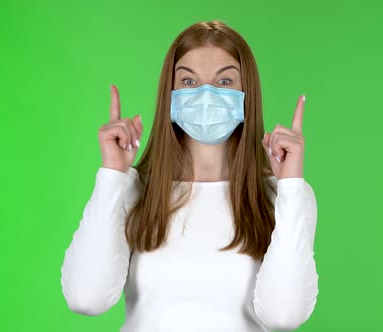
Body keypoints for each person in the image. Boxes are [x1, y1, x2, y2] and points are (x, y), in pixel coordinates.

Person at [60, 20, 319, 332]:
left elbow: (284, 315)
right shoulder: (134, 191)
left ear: (245, 93)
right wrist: (112, 176)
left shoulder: (281, 197)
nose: (206, 94)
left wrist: (290, 186)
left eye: (224, 81)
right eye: (189, 81)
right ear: (170, 94)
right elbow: (86, 298)